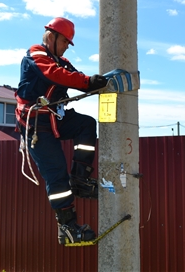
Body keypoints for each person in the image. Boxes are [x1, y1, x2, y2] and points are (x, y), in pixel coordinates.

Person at [15, 17, 108, 245]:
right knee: (56, 174)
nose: (67, 46)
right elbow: (56, 75)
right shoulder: (35, 55)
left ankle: (80, 180)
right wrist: (88, 83)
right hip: (37, 126)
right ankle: (67, 228)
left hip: (54, 119)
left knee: (86, 124)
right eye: (66, 41)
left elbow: (75, 78)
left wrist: (94, 83)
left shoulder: (62, 61)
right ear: (51, 36)